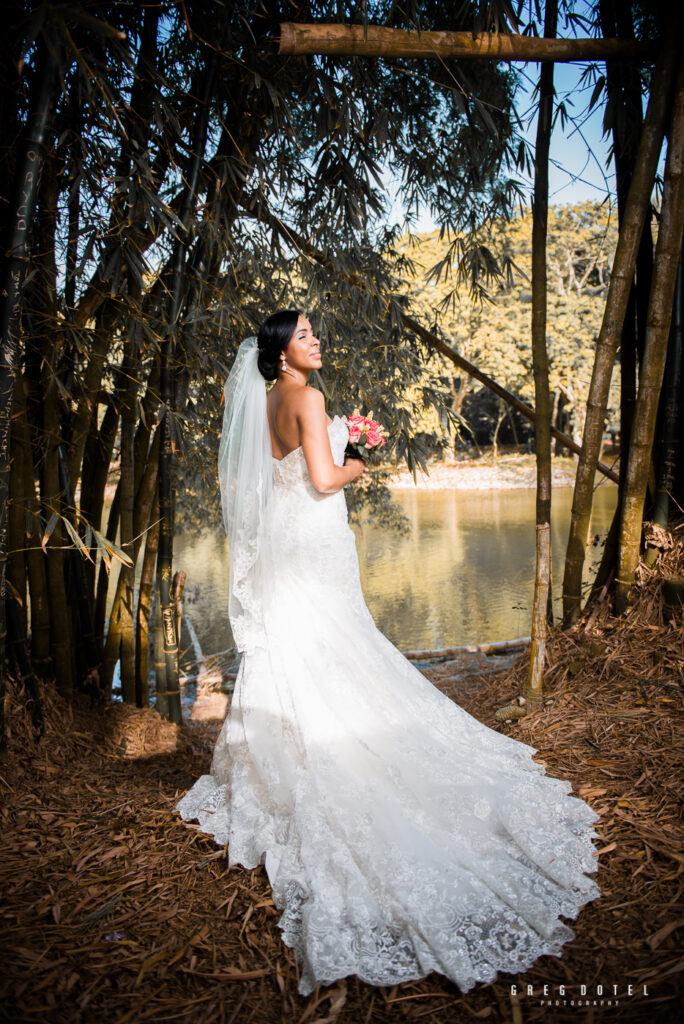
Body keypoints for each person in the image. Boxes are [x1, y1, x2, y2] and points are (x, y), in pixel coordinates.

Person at [175, 310, 600, 997]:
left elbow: (276, 474)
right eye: (306, 336)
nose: (318, 343)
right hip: (312, 540)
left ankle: (291, 742)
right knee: (337, 638)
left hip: (285, 544)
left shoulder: (264, 399)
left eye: (316, 333)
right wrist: (358, 463)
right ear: (282, 354)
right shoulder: (307, 397)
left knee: (298, 644)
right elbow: (319, 477)